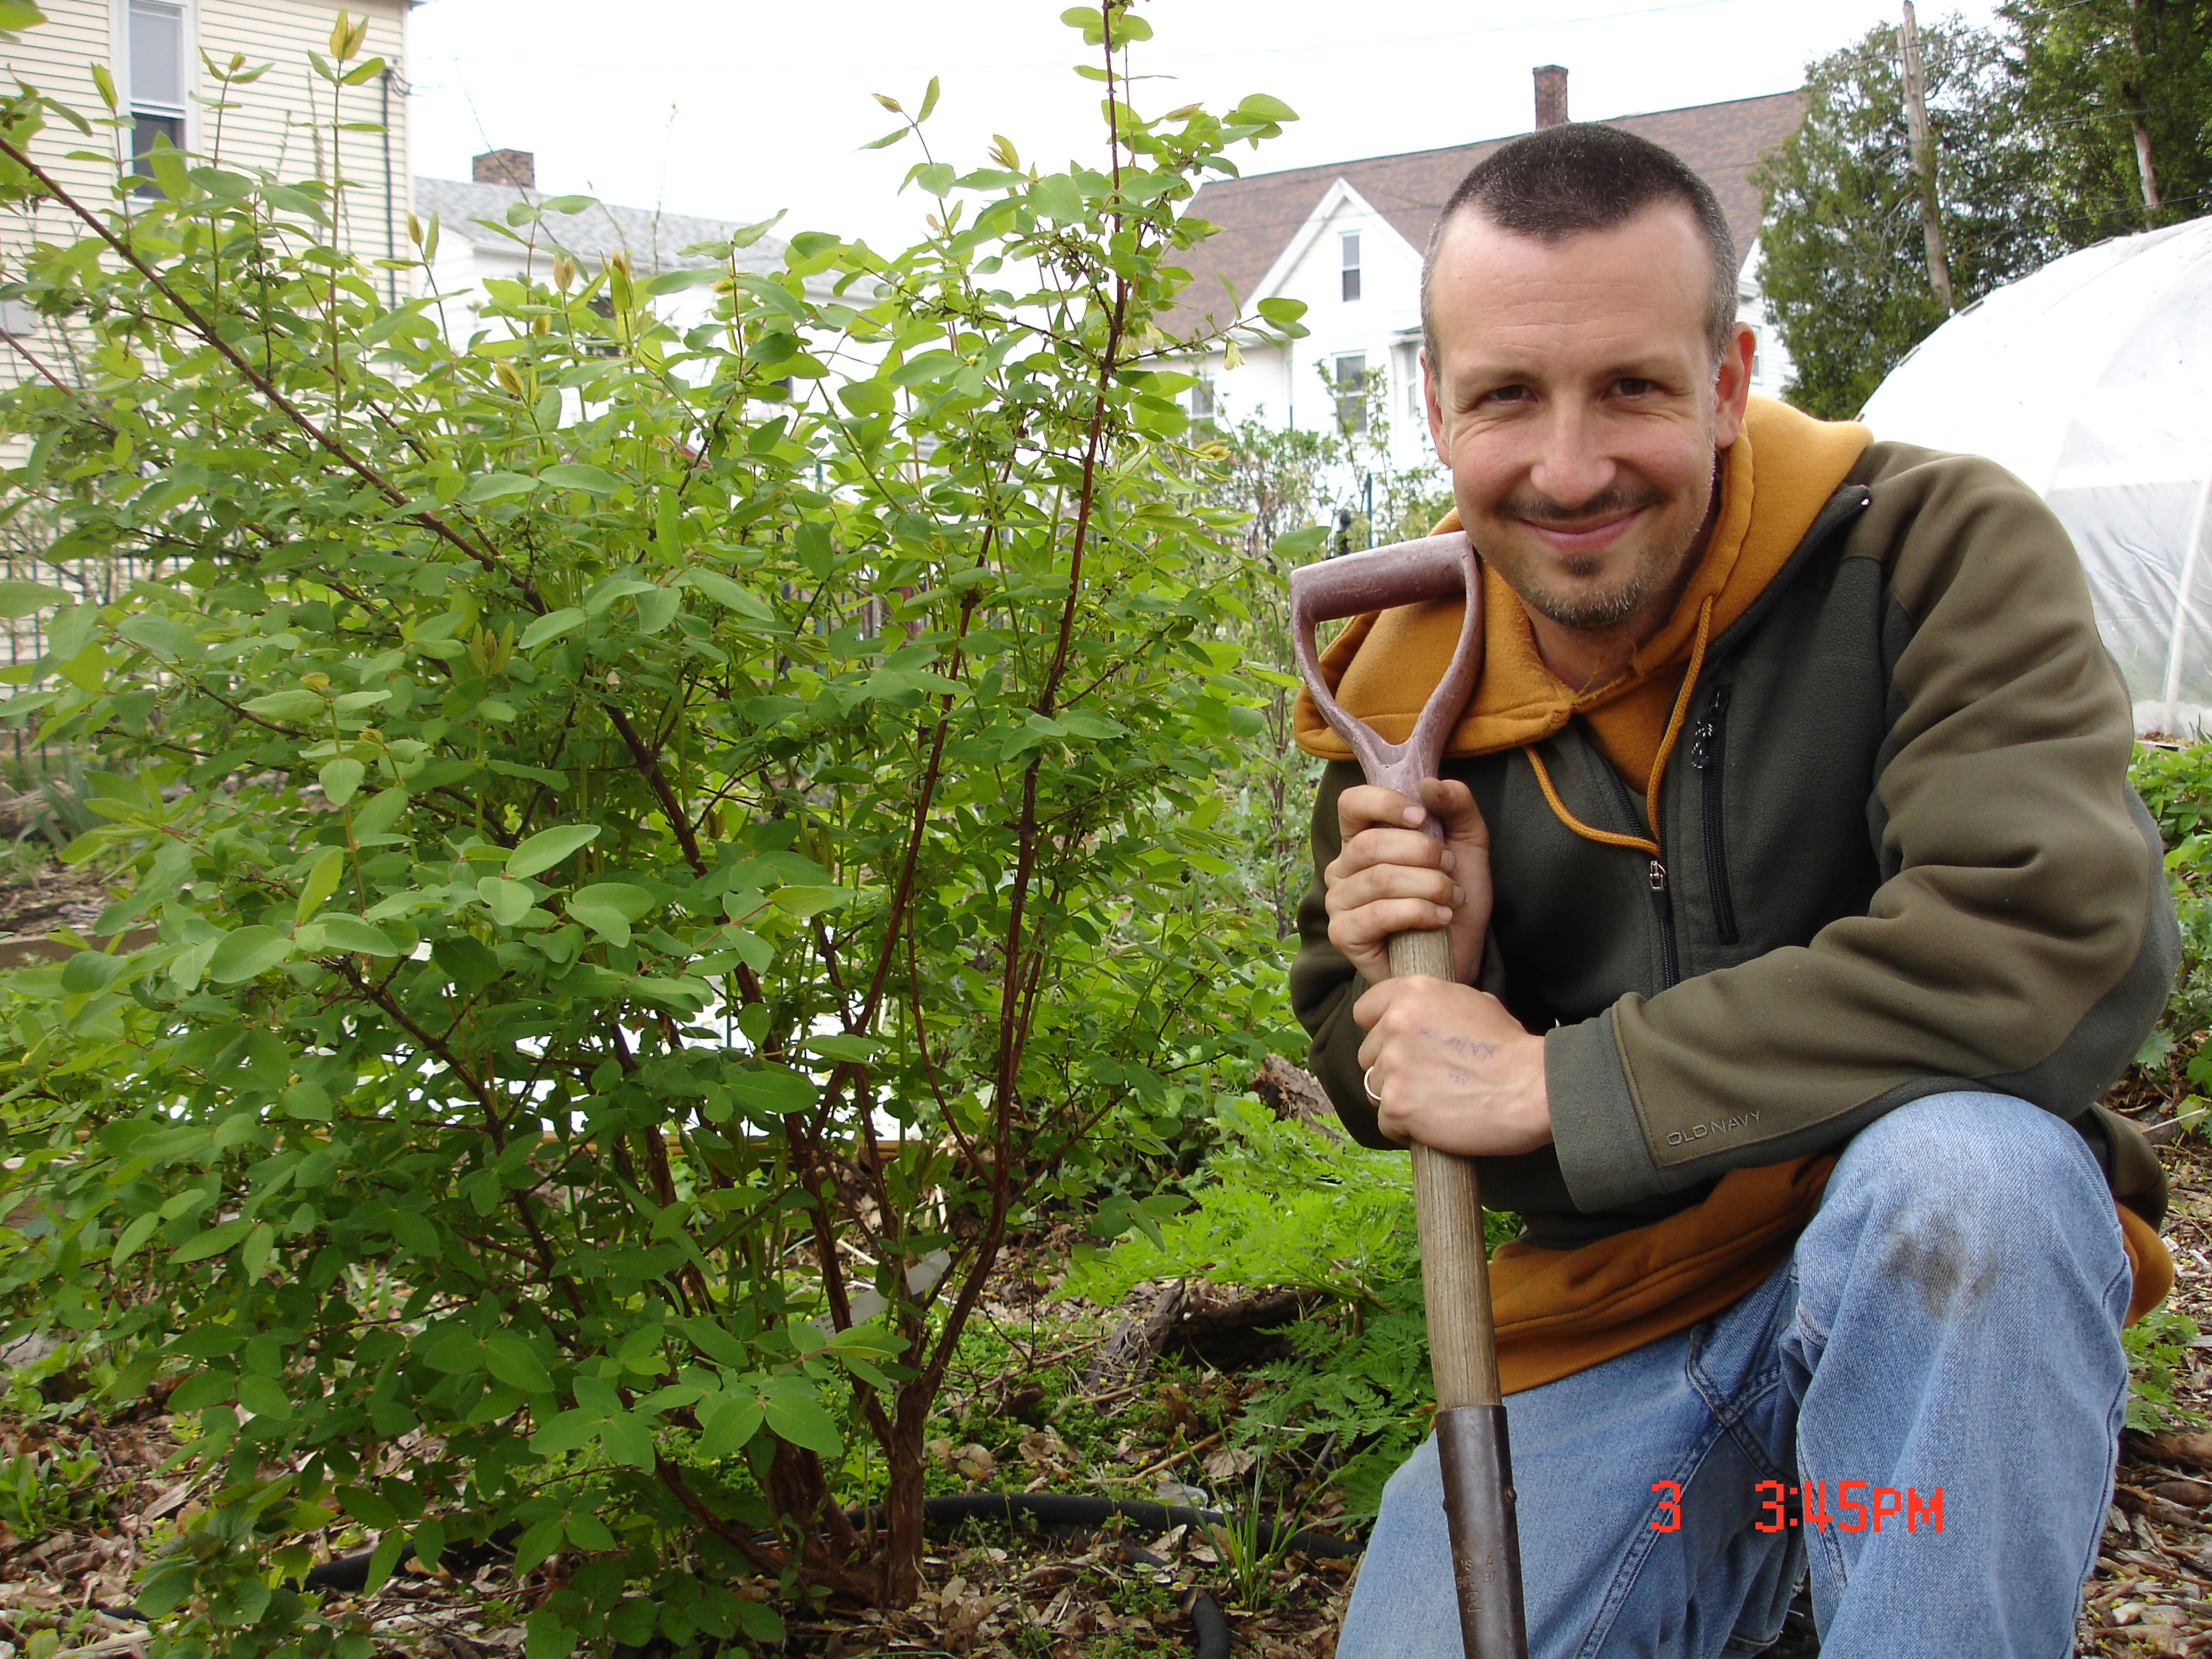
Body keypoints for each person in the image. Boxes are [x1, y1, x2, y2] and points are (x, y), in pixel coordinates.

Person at [1290, 122, 2178, 1658]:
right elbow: (1386, 1072)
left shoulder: (1934, 550)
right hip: (1608, 1320)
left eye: (1632, 386)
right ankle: (1773, 1553)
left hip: (1919, 1305)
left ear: (1725, 376)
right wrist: (1443, 981)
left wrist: (1567, 1082)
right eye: (1507, 396)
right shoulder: (1407, 658)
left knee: (1979, 1178)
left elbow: (2038, 944)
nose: (1570, 469)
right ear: (1435, 407)